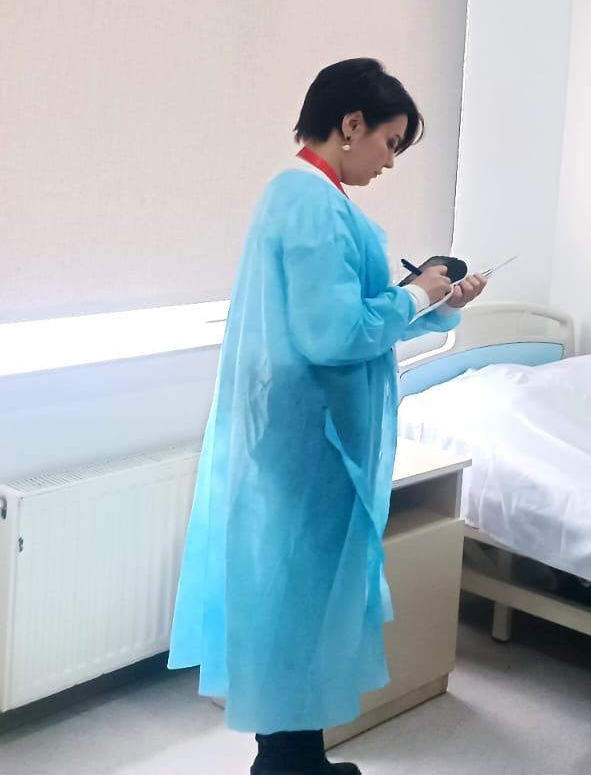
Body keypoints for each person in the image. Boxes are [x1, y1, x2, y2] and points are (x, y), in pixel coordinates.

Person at [168, 59, 487, 775]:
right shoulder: (309, 201)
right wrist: (416, 294)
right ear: (351, 124)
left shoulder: (314, 199)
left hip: (307, 440)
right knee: (294, 609)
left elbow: (354, 319)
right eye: (390, 143)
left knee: (299, 609)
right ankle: (286, 765)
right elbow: (335, 334)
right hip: (308, 445)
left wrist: (432, 298)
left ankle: (295, 759)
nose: (390, 162)